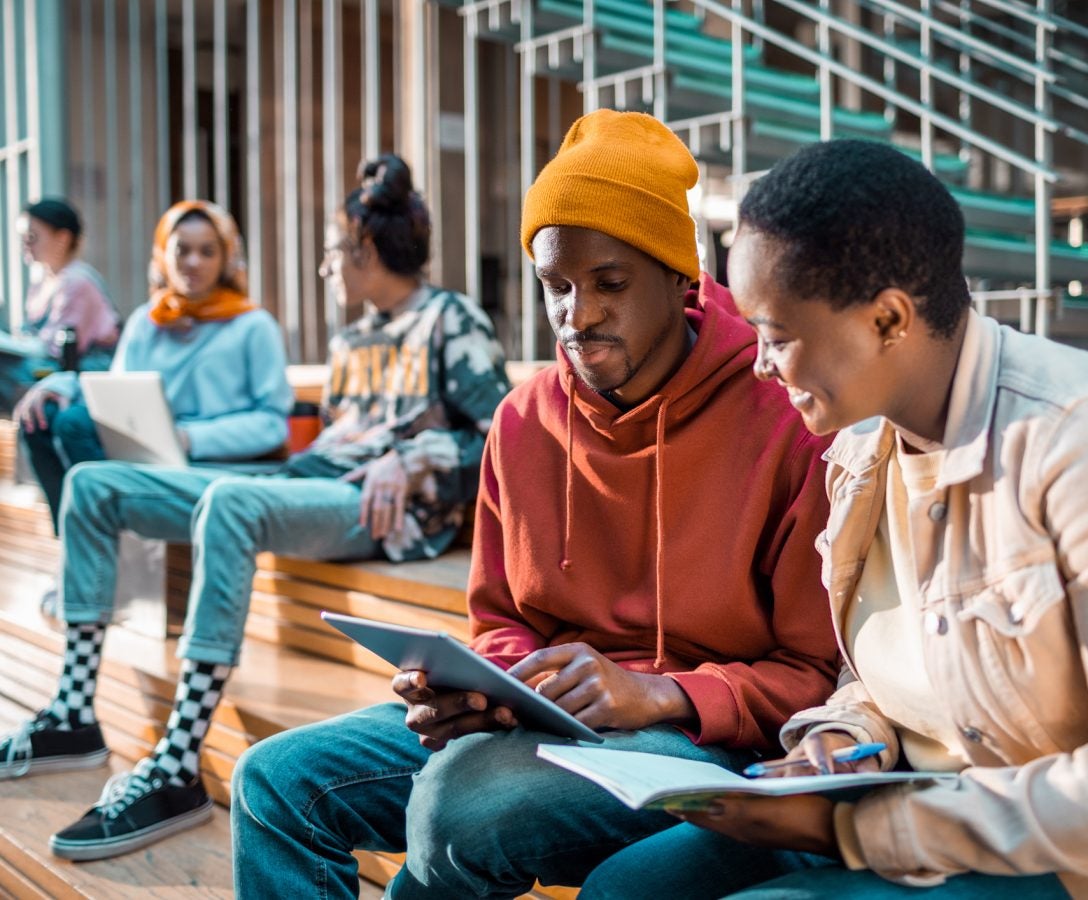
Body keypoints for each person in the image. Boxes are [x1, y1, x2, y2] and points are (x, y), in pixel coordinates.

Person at [229, 110, 840, 899]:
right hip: (543, 727)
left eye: (610, 284)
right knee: (272, 783)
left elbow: (812, 674)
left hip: (706, 739)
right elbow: (501, 618)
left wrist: (662, 692)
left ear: (680, 276)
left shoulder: (786, 419)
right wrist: (489, 691)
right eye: (556, 286)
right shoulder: (523, 420)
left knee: (461, 809)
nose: (577, 315)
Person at [577, 140, 1088, 899]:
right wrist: (845, 738)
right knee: (623, 891)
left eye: (776, 337)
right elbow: (895, 667)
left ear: (889, 319)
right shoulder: (861, 451)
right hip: (892, 813)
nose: (761, 366)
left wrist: (862, 830)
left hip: (1085, 863)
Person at [0, 155, 512, 863]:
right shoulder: (353, 337)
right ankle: (74, 712)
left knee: (231, 503)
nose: (327, 269)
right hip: (314, 483)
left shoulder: (449, 318)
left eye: (334, 254)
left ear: (365, 251)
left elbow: (500, 437)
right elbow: (336, 436)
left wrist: (413, 456)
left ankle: (178, 761)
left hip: (378, 513)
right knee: (94, 482)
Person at [14, 200, 290, 534]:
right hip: (148, 451)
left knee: (80, 448)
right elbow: (117, 390)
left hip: (212, 461)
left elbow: (272, 424)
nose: (193, 262)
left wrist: (189, 438)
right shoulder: (149, 321)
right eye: (181, 250)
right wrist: (63, 384)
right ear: (163, 255)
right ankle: (77, 537)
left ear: (225, 259)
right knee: (45, 420)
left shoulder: (253, 325)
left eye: (207, 251)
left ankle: (97, 533)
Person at [0, 198, 119, 412]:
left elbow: (51, 349)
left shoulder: (77, 280)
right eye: (23, 238)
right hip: (54, 365)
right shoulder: (43, 279)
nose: (25, 244)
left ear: (62, 238)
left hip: (82, 372)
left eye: (32, 237)